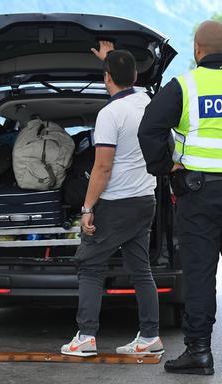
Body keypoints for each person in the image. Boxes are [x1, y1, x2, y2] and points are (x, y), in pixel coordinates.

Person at [138, 21, 222, 375]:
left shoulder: (185, 86)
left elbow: (150, 129)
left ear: (198, 49)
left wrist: (165, 167)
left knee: (200, 273)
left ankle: (199, 352)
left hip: (197, 194)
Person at [60, 41, 164, 357]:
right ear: (134, 74)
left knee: (90, 265)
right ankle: (149, 337)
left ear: (107, 78)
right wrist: (111, 61)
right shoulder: (150, 103)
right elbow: (124, 79)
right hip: (146, 199)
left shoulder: (110, 113)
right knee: (140, 269)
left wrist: (88, 208)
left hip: (116, 203)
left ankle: (86, 337)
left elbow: (102, 167)